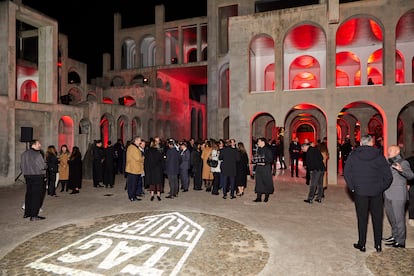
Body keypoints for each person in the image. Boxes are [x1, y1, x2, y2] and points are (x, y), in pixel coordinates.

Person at [344, 134, 392, 253]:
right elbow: (388, 176)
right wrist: (380, 187)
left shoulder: (354, 155)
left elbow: (347, 173)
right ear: (371, 143)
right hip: (376, 192)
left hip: (360, 192)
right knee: (377, 219)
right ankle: (378, 245)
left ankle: (362, 244)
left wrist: (353, 188)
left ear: (361, 143)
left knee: (362, 218)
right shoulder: (379, 155)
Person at [383, 145, 414, 248]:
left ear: (397, 151)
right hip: (388, 194)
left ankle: (400, 242)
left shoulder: (403, 162)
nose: (388, 153)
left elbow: (411, 175)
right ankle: (394, 236)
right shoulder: (388, 162)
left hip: (398, 195)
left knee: (399, 219)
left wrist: (401, 170)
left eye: (390, 151)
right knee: (392, 218)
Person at [21, 139, 47, 221]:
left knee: (29, 195)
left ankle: (27, 213)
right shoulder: (37, 154)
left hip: (28, 177)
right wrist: (47, 165)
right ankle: (34, 216)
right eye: (38, 144)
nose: (40, 145)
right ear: (33, 145)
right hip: (37, 177)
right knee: (36, 196)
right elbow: (42, 166)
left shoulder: (24, 154)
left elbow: (21, 166)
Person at [252, 137, 274, 202]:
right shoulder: (258, 149)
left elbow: (270, 159)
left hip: (265, 168)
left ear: (263, 142)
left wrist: (264, 162)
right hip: (258, 168)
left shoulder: (268, 150)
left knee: (266, 182)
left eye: (259, 142)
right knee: (259, 182)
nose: (257, 143)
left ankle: (266, 197)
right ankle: (258, 198)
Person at [125, 136, 144, 202]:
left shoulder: (135, 147)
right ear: (135, 141)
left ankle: (134, 195)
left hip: (135, 168)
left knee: (134, 183)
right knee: (132, 184)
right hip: (133, 169)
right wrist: (143, 158)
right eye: (139, 141)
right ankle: (132, 196)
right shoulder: (132, 148)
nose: (140, 142)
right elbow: (137, 158)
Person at [407, 155, 414, 227]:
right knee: (412, 202)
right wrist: (408, 183)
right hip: (412, 184)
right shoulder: (410, 160)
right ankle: (411, 218)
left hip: (411, 184)